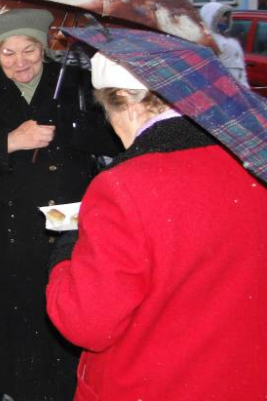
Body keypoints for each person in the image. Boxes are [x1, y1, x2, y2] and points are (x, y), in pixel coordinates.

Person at [46, 52, 267, 400]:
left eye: (107, 113)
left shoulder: (123, 187)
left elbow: (86, 323)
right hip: (243, 379)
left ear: (124, 101)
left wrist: (65, 256)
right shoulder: (252, 162)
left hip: (151, 384)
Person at [0, 8, 119, 401]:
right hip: (3, 229)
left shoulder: (75, 84)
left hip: (64, 227)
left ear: (44, 47)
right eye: (8, 53)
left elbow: (115, 140)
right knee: (3, 321)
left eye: (29, 50)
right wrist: (10, 141)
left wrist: (74, 128)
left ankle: (57, 391)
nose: (20, 62)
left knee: (59, 317)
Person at [199, 2, 249, 86]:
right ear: (211, 17)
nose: (225, 19)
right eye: (222, 15)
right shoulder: (207, 42)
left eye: (227, 16)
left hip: (238, 89)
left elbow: (241, 71)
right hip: (225, 90)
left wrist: (245, 90)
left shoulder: (229, 40)